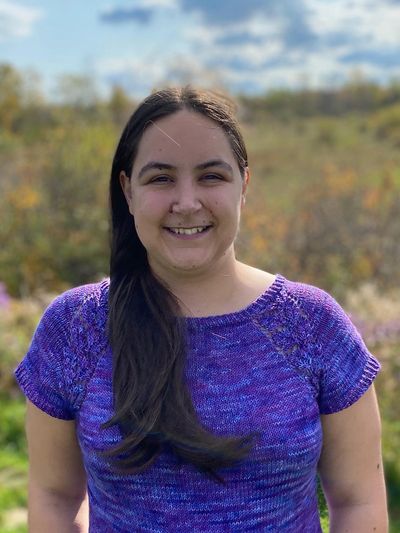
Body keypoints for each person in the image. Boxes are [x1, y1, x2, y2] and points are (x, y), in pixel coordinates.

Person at [15, 86, 388, 532]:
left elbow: (359, 500)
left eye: (211, 176)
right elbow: (53, 498)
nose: (187, 202)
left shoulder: (311, 324)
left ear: (243, 185)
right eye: (160, 178)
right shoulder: (76, 328)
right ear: (127, 190)